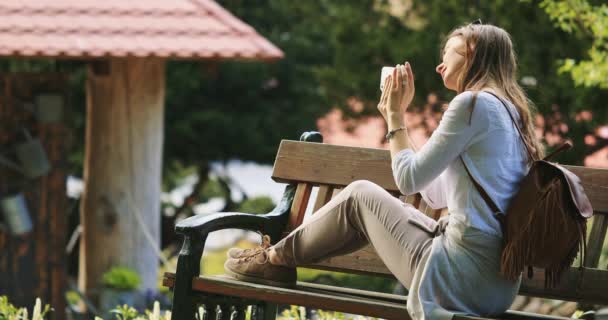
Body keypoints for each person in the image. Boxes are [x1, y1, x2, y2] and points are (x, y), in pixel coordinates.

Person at [223, 22, 545, 320]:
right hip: (496, 288)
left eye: (448, 54)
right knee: (372, 204)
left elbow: (407, 180)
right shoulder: (510, 111)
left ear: (472, 56)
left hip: (460, 278)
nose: (439, 65)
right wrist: (400, 121)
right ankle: (276, 260)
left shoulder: (471, 105)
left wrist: (395, 118)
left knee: (360, 195)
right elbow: (432, 191)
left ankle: (274, 261)